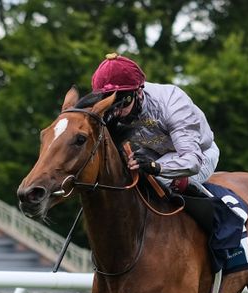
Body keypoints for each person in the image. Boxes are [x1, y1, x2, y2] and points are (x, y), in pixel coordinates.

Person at [90, 52, 218, 196]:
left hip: (199, 154)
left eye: (122, 101)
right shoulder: (114, 111)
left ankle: (213, 206)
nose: (116, 112)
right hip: (155, 152)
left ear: (138, 92)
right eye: (109, 103)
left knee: (155, 181)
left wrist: (156, 167)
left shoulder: (173, 104)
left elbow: (192, 162)